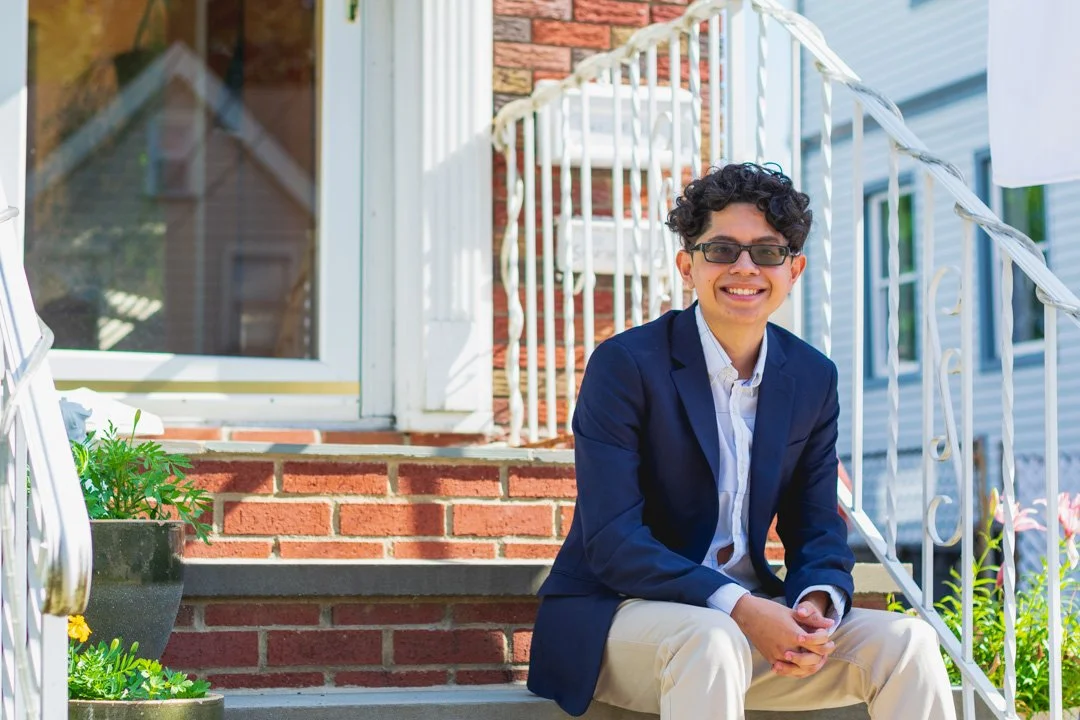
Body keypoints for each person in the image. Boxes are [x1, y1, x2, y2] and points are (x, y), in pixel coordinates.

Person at [526, 163, 955, 719]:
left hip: (749, 624)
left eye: (768, 252)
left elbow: (818, 527)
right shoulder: (627, 365)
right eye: (722, 249)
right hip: (622, 617)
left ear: (793, 269)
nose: (745, 268)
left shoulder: (811, 377)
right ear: (688, 265)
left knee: (909, 645)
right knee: (712, 637)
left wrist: (814, 602)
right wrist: (739, 605)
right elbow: (613, 542)